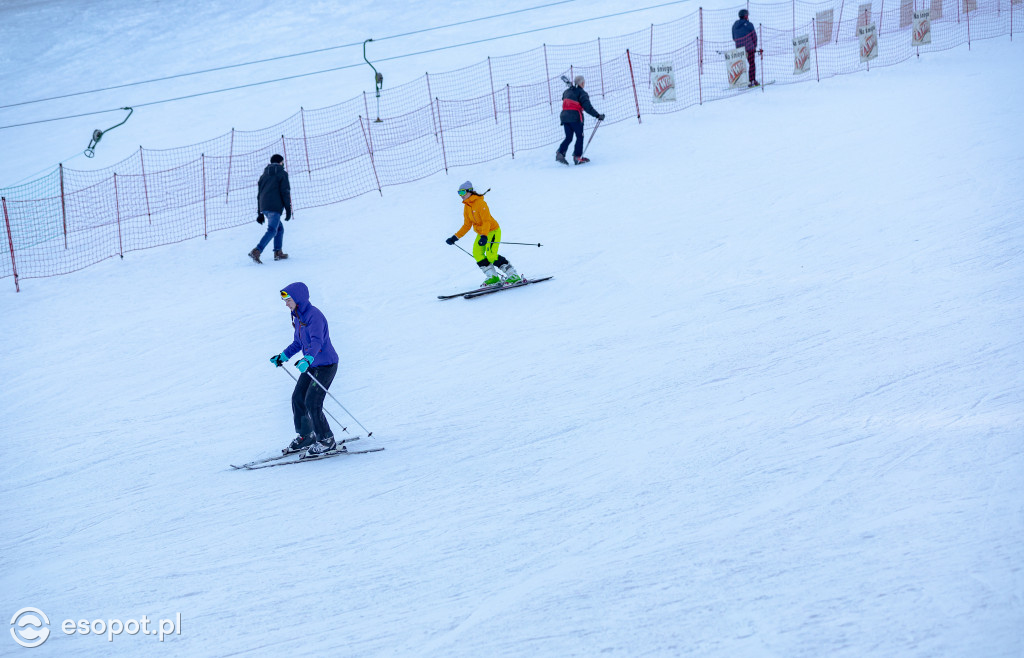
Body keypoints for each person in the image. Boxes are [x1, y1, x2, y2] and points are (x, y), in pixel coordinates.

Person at [270, 282, 341, 457]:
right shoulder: (297, 317)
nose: (285, 303)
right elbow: (298, 343)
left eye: (288, 299)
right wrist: (283, 356)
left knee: (312, 402)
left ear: (298, 299)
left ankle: (326, 440)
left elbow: (317, 341)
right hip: (311, 365)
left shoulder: (314, 316)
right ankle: (306, 435)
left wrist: (308, 358)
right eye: (284, 300)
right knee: (298, 398)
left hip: (325, 365)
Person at [445, 181, 521, 286]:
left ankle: (513, 275)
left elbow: (486, 221)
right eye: (459, 193)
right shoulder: (467, 206)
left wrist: (484, 235)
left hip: (492, 230)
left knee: (491, 255)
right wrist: (455, 237)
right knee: (477, 253)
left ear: (469, 191)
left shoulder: (480, 203)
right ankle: (493, 277)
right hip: (482, 233)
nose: (460, 195)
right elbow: (467, 225)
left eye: (462, 192)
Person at [249, 154, 292, 264]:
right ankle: (257, 250)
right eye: (283, 162)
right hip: (275, 206)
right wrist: (288, 209)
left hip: (265, 206)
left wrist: (260, 212)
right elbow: (285, 192)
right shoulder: (282, 173)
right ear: (280, 162)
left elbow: (259, 194)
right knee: (272, 230)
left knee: (279, 229)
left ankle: (278, 252)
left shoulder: (263, 176)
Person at [556, 75, 605, 166]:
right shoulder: (582, 93)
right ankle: (577, 157)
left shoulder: (567, 91)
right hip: (575, 118)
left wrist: (572, 89)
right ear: (582, 83)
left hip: (564, 117)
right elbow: (587, 107)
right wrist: (597, 115)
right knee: (579, 136)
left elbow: (564, 98)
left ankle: (560, 152)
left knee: (568, 137)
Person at [732, 9, 760, 88]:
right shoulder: (749, 25)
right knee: (752, 64)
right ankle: (752, 80)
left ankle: (739, 82)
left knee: (740, 66)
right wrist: (754, 46)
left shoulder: (734, 25)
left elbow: (734, 38)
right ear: (745, 16)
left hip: (739, 49)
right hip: (749, 48)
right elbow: (754, 37)